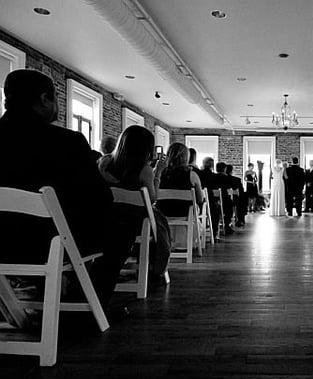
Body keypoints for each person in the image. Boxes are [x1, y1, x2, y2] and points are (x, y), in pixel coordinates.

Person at [0, 69, 136, 312]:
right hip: (48, 243)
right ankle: (87, 304)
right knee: (121, 229)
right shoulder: (67, 142)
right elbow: (100, 200)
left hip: (3, 242)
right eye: (55, 99)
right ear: (44, 99)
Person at [97, 125, 172, 282]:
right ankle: (154, 267)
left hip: (104, 220)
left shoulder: (103, 163)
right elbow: (151, 199)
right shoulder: (144, 170)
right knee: (159, 223)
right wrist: (157, 172)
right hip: (134, 223)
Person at [156, 143, 204, 218]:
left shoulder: (159, 173)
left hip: (162, 216)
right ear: (186, 157)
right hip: (186, 216)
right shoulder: (192, 175)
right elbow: (200, 199)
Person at [215, 162, 235, 234]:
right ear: (225, 169)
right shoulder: (227, 178)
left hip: (214, 200)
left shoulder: (213, 177)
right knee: (230, 205)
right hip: (224, 200)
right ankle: (227, 225)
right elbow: (230, 189)